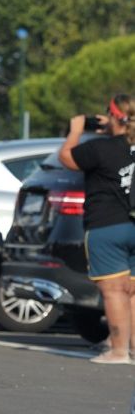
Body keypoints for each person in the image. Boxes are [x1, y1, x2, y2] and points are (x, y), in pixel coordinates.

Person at [59, 95, 135, 364]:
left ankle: (118, 351)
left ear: (114, 116)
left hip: (107, 226)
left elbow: (67, 157)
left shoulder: (101, 148)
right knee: (132, 292)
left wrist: (77, 130)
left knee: (114, 291)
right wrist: (113, 129)